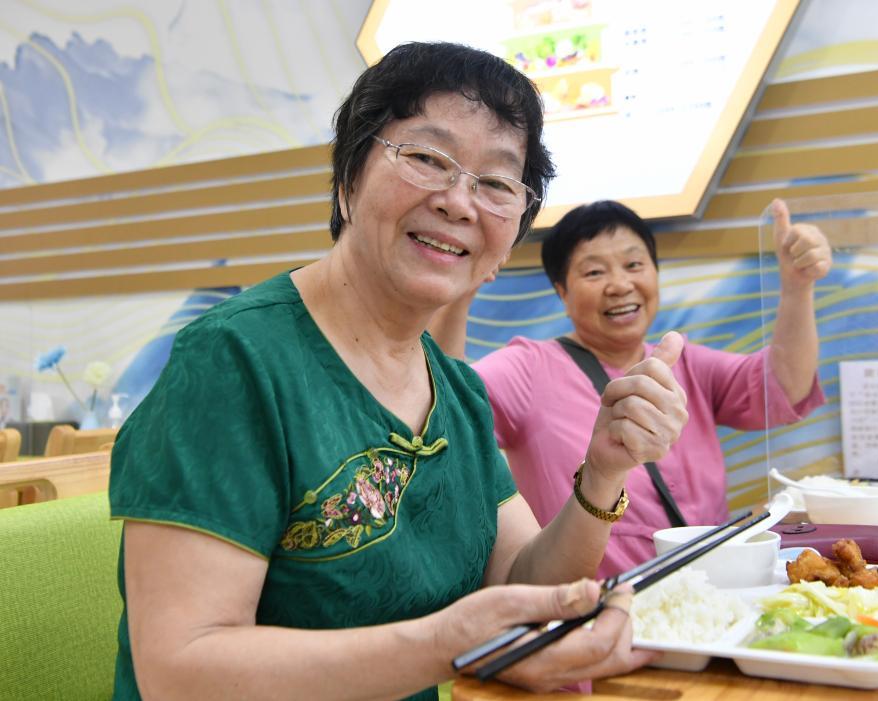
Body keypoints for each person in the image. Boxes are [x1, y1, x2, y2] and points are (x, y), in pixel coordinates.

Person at [107, 43, 690, 701]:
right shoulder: (234, 362)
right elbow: (180, 670)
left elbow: (520, 583)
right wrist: (446, 646)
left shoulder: (457, 392)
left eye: (497, 184)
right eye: (427, 158)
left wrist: (606, 467)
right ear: (348, 180)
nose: (459, 203)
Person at [431, 199, 831, 578]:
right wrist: (458, 297)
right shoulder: (528, 368)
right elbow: (447, 407)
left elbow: (785, 386)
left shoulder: (686, 362)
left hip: (705, 601)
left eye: (634, 264)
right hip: (587, 607)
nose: (620, 285)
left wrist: (797, 288)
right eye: (594, 272)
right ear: (562, 291)